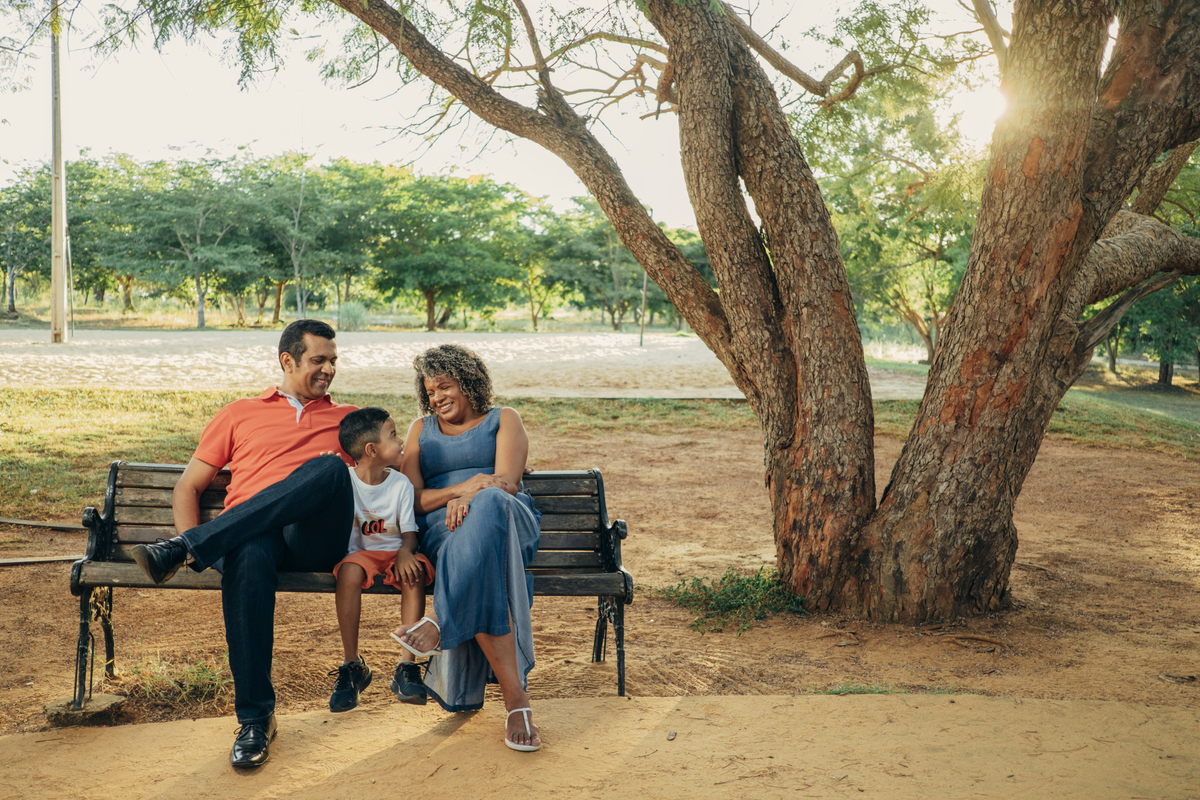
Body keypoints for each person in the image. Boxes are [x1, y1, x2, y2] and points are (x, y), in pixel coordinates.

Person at [130, 319, 357, 768]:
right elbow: (187, 488)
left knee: (329, 469)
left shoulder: (349, 419)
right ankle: (256, 720)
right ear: (287, 360)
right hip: (251, 541)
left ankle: (184, 551)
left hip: (313, 540)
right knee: (250, 551)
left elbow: (398, 463)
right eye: (318, 360)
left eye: (333, 360)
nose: (329, 369)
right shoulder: (239, 413)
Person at [395, 343, 543, 752]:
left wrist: (475, 498)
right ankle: (516, 701)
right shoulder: (419, 430)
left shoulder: (503, 419)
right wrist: (462, 490)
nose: (437, 397)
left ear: (469, 382)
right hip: (445, 528)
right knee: (473, 551)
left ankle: (444, 619)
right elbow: (413, 499)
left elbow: (506, 484)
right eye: (430, 391)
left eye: (445, 386)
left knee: (491, 503)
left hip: (508, 522)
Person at [330, 406, 434, 711]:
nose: (401, 440)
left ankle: (407, 666)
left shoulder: (400, 483)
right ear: (372, 450)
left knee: (414, 572)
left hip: (394, 551)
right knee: (348, 572)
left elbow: (410, 533)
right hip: (360, 556)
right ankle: (352, 665)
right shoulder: (344, 481)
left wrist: (405, 551)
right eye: (393, 435)